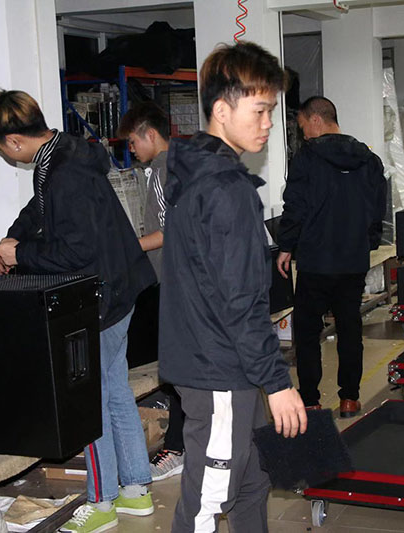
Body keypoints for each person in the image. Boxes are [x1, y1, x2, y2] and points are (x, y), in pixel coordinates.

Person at [0, 90, 157, 533]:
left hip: (102, 296)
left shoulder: (64, 173)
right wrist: (12, 240)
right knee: (115, 391)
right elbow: (37, 210)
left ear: (14, 140)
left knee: (89, 403)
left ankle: (101, 501)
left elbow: (76, 252)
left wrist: (22, 255)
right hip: (119, 287)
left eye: (2, 150)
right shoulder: (62, 154)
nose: (7, 156)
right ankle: (136, 489)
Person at [159, 42, 308, 532]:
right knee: (208, 500)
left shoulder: (194, 169)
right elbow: (241, 302)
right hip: (218, 369)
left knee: (253, 478)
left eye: (271, 111)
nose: (268, 123)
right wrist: (278, 383)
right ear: (222, 111)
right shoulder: (225, 189)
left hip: (220, 361)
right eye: (259, 110)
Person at [275, 96, 386, 418]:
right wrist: (367, 243)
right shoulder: (369, 159)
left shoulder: (307, 158)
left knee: (308, 332)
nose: (303, 134)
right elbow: (377, 207)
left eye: (302, 127)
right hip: (352, 260)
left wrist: (286, 246)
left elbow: (295, 206)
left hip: (316, 260)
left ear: (315, 120)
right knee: (350, 328)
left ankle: (310, 400)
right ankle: (350, 398)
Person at [118, 102, 186, 482]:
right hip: (187, 282)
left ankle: (175, 448)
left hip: (173, 283)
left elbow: (167, 230)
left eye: (132, 142)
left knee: (175, 369)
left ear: (150, 134)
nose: (131, 150)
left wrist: (127, 248)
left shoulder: (161, 168)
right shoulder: (184, 162)